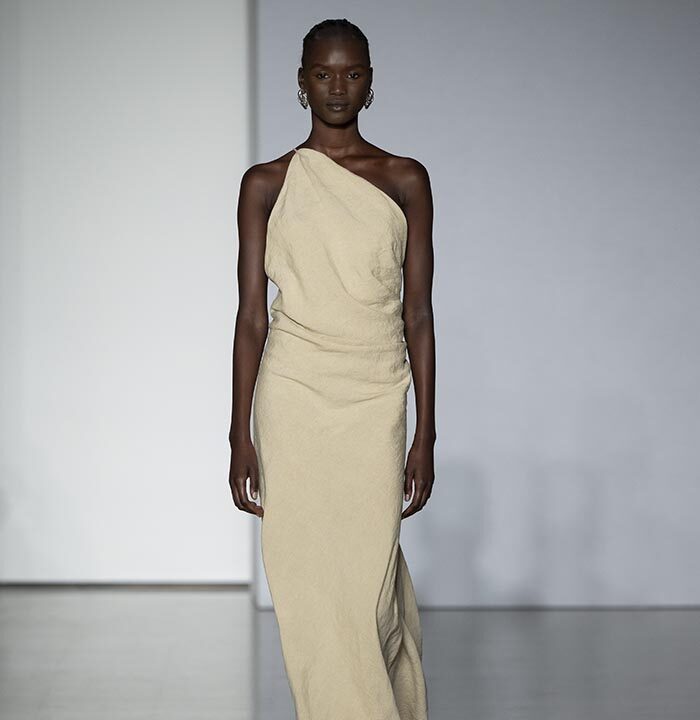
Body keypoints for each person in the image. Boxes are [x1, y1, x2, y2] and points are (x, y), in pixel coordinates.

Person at [228, 17, 436, 720]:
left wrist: (426, 434)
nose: (337, 86)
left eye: (351, 73)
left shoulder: (405, 179)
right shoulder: (266, 183)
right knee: (309, 587)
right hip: (293, 396)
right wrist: (238, 433)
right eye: (323, 73)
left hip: (375, 393)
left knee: (369, 589)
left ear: (370, 82)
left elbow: (418, 314)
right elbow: (251, 317)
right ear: (301, 82)